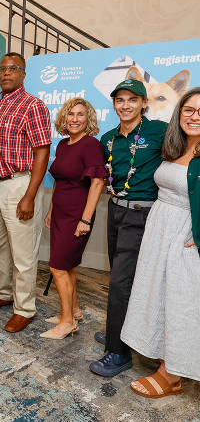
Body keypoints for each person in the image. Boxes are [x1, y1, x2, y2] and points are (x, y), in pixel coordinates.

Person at [121, 87, 200, 398]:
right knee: (160, 295)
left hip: (185, 235)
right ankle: (165, 356)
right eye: (190, 110)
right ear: (179, 113)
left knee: (182, 302)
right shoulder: (175, 147)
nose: (195, 117)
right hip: (160, 229)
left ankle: (173, 373)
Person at [89, 79, 167, 376]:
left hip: (142, 215)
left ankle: (118, 353)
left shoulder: (159, 131)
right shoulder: (108, 138)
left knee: (122, 283)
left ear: (144, 103)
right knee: (121, 279)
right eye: (120, 100)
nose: (126, 105)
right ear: (113, 104)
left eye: (132, 100)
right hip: (115, 212)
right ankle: (119, 331)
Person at [0, 52, 51, 333]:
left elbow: (42, 151)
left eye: (13, 69)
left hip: (21, 184)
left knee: (23, 253)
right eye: (3, 68)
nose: (7, 73)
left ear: (23, 74)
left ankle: (24, 308)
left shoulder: (34, 105)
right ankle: (4, 292)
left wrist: (30, 195)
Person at [41, 98, 107, 339]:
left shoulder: (90, 144)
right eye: (71, 114)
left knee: (57, 267)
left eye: (81, 115)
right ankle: (74, 311)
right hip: (60, 213)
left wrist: (86, 220)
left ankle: (67, 322)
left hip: (77, 215)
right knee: (65, 265)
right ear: (64, 118)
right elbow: (59, 180)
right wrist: (50, 210)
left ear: (88, 119)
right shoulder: (64, 145)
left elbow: (97, 182)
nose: (75, 119)